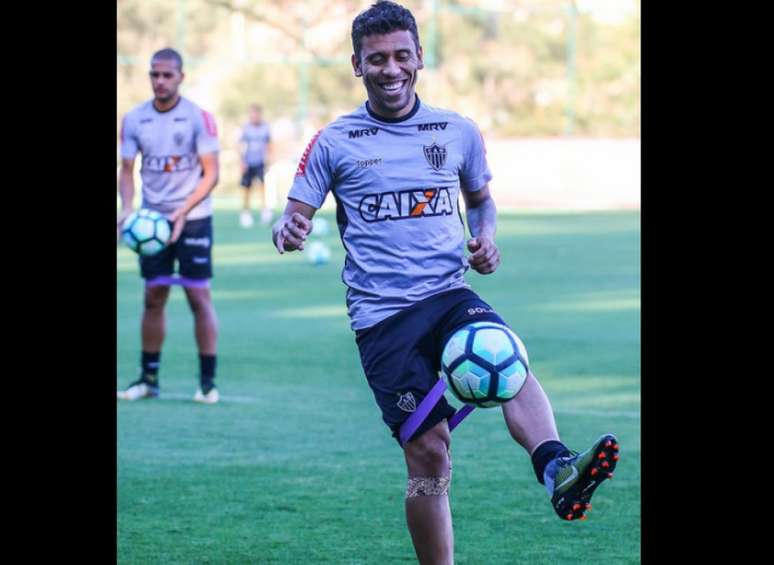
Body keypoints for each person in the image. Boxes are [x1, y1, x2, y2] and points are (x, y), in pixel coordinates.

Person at [272, 2, 619, 562]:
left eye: (401, 56)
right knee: (431, 456)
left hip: (448, 294)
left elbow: (481, 203)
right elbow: (295, 215)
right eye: (376, 59)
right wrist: (289, 228)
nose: (391, 69)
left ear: (420, 59)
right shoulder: (333, 141)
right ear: (356, 65)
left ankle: (556, 464)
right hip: (383, 319)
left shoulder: (457, 131)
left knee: (501, 352)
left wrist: (485, 237)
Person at [117, 47, 221, 405]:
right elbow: (126, 172)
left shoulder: (198, 118)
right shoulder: (133, 119)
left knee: (197, 296)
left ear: (181, 77)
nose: (160, 81)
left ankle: (207, 384)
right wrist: (128, 208)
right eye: (154, 75)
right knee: (153, 296)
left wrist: (180, 213)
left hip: (192, 218)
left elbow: (212, 174)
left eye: (167, 75)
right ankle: (148, 379)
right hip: (151, 221)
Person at [238, 104, 273, 227]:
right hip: (248, 163)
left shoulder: (265, 127)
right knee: (247, 189)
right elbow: (240, 145)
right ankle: (246, 213)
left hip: (260, 162)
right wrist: (242, 161)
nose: (254, 116)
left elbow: (269, 145)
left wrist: (269, 160)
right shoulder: (246, 128)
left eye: (255, 114)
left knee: (263, 187)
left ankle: (265, 211)